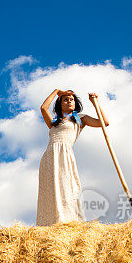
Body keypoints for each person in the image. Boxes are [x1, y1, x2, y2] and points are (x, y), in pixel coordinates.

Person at [36, 89, 109, 226]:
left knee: (67, 186)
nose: (69, 101)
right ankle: (50, 223)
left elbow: (104, 123)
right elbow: (43, 107)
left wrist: (95, 103)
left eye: (72, 99)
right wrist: (57, 91)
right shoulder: (54, 122)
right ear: (60, 103)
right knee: (51, 189)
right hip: (49, 156)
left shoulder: (80, 119)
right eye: (65, 99)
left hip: (65, 154)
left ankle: (69, 221)